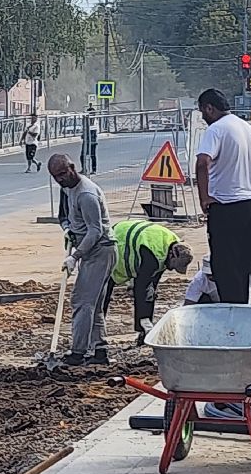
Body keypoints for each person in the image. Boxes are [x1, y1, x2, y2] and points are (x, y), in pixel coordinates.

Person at [48, 153, 116, 365]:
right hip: (89, 251)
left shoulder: (86, 194)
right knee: (92, 303)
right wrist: (67, 229)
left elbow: (95, 231)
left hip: (100, 251)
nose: (60, 179)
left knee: (81, 300)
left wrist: (75, 257)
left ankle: (78, 352)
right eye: (55, 176)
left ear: (72, 167)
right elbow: (64, 216)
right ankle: (100, 350)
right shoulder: (66, 189)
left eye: (62, 174)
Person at [194, 88, 251, 304]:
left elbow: (203, 162)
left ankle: (231, 311)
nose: (203, 117)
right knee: (241, 263)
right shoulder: (246, 128)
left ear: (209, 108)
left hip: (225, 204)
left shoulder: (216, 130)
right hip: (249, 203)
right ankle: (241, 305)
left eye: (203, 111)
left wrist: (204, 198)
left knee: (224, 264)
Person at [104, 220, 193, 346]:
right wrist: (144, 321)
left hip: (129, 233)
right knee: (103, 293)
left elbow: (152, 287)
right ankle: (95, 334)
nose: (172, 269)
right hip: (117, 241)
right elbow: (141, 288)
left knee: (148, 293)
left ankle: (144, 333)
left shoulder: (171, 244)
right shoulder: (153, 256)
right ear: (172, 256)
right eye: (174, 266)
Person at [83, 108, 99, 175]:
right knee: (82, 156)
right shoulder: (86, 120)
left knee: (92, 155)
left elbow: (94, 130)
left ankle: (94, 169)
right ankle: (84, 169)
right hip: (86, 140)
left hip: (92, 141)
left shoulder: (95, 121)